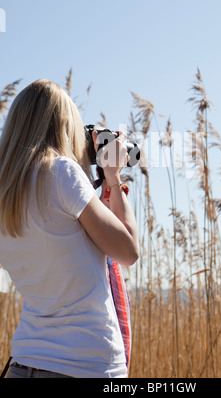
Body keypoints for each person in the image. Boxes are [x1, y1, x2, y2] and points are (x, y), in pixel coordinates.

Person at [0, 79, 139, 378]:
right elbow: (127, 251)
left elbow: (65, 236)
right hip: (83, 365)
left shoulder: (5, 193)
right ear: (64, 128)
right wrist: (113, 177)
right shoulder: (62, 172)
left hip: (24, 363)